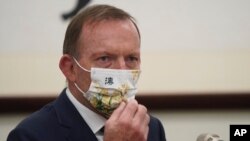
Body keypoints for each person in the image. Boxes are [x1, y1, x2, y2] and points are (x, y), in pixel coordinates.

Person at [7, 4, 166, 141]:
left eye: (131, 58)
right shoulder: (30, 135)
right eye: (104, 58)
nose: (122, 70)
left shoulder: (150, 128)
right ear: (70, 68)